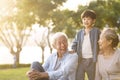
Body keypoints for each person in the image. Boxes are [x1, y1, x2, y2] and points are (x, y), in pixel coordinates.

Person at [71, 9, 101, 80]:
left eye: (88, 19)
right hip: (81, 59)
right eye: (84, 19)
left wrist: (101, 50)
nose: (86, 21)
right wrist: (73, 49)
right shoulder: (79, 33)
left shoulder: (97, 31)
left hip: (92, 60)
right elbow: (74, 43)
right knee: (79, 77)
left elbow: (101, 42)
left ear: (93, 20)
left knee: (92, 77)